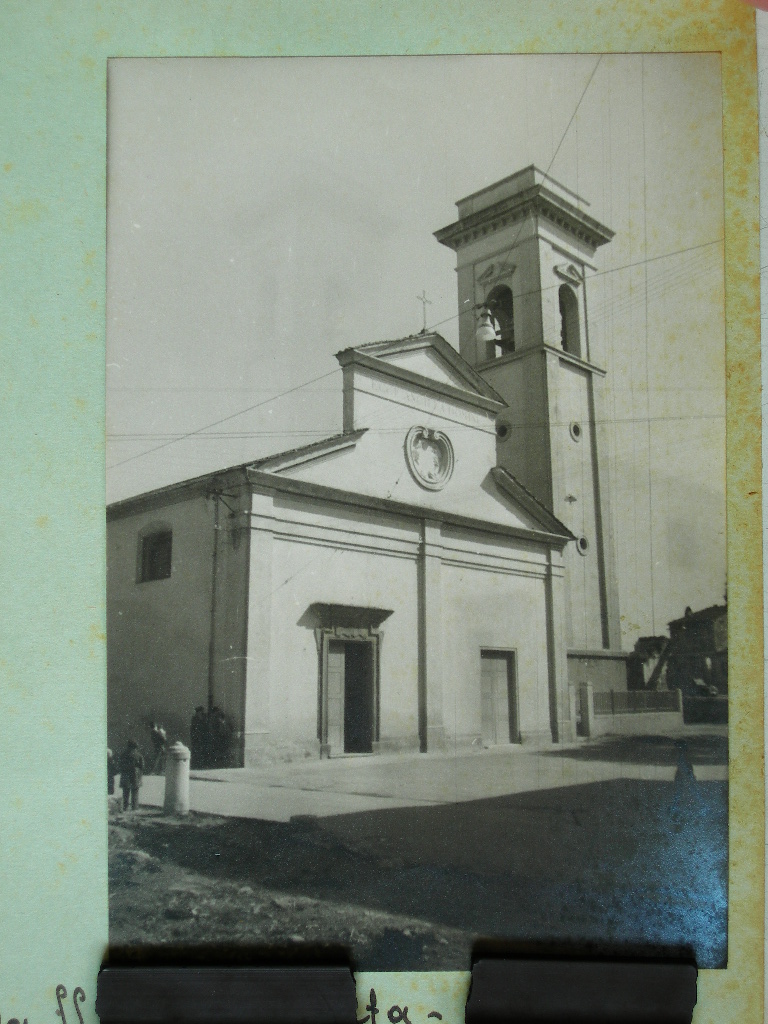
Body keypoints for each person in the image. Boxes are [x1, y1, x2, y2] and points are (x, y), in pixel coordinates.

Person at [119, 739, 145, 811]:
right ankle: (135, 807)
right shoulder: (139, 755)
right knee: (135, 792)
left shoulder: (123, 754)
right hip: (135, 775)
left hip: (125, 775)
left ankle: (125, 807)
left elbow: (120, 764)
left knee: (125, 792)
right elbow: (142, 766)